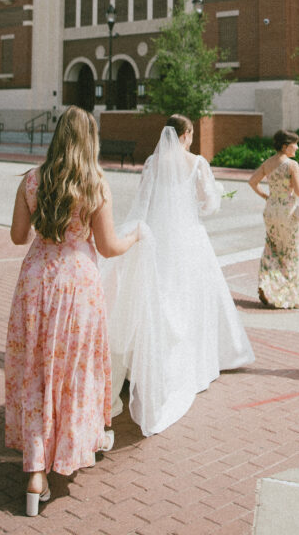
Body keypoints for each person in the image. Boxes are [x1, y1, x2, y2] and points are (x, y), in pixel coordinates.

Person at [5, 106, 139, 516]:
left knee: (36, 373)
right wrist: (138, 236)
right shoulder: (95, 183)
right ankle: (76, 444)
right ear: (89, 139)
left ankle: (35, 474)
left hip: (36, 282)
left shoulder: (32, 179)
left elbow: (17, 237)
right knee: (74, 373)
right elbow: (110, 246)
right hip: (78, 286)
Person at [100, 115, 254, 438]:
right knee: (193, 298)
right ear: (185, 134)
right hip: (188, 238)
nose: (192, 139)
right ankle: (193, 363)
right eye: (191, 134)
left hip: (158, 234)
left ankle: (146, 362)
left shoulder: (152, 162)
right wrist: (213, 195)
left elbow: (144, 200)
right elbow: (209, 205)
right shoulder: (197, 163)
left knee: (159, 296)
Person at [249, 128, 299, 309]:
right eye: (294, 144)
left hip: (271, 209)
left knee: (272, 248)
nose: (297, 147)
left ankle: (267, 285)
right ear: (285, 146)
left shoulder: (268, 163)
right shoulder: (291, 165)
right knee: (290, 252)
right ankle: (289, 297)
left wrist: (266, 196)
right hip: (287, 211)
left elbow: (252, 181)